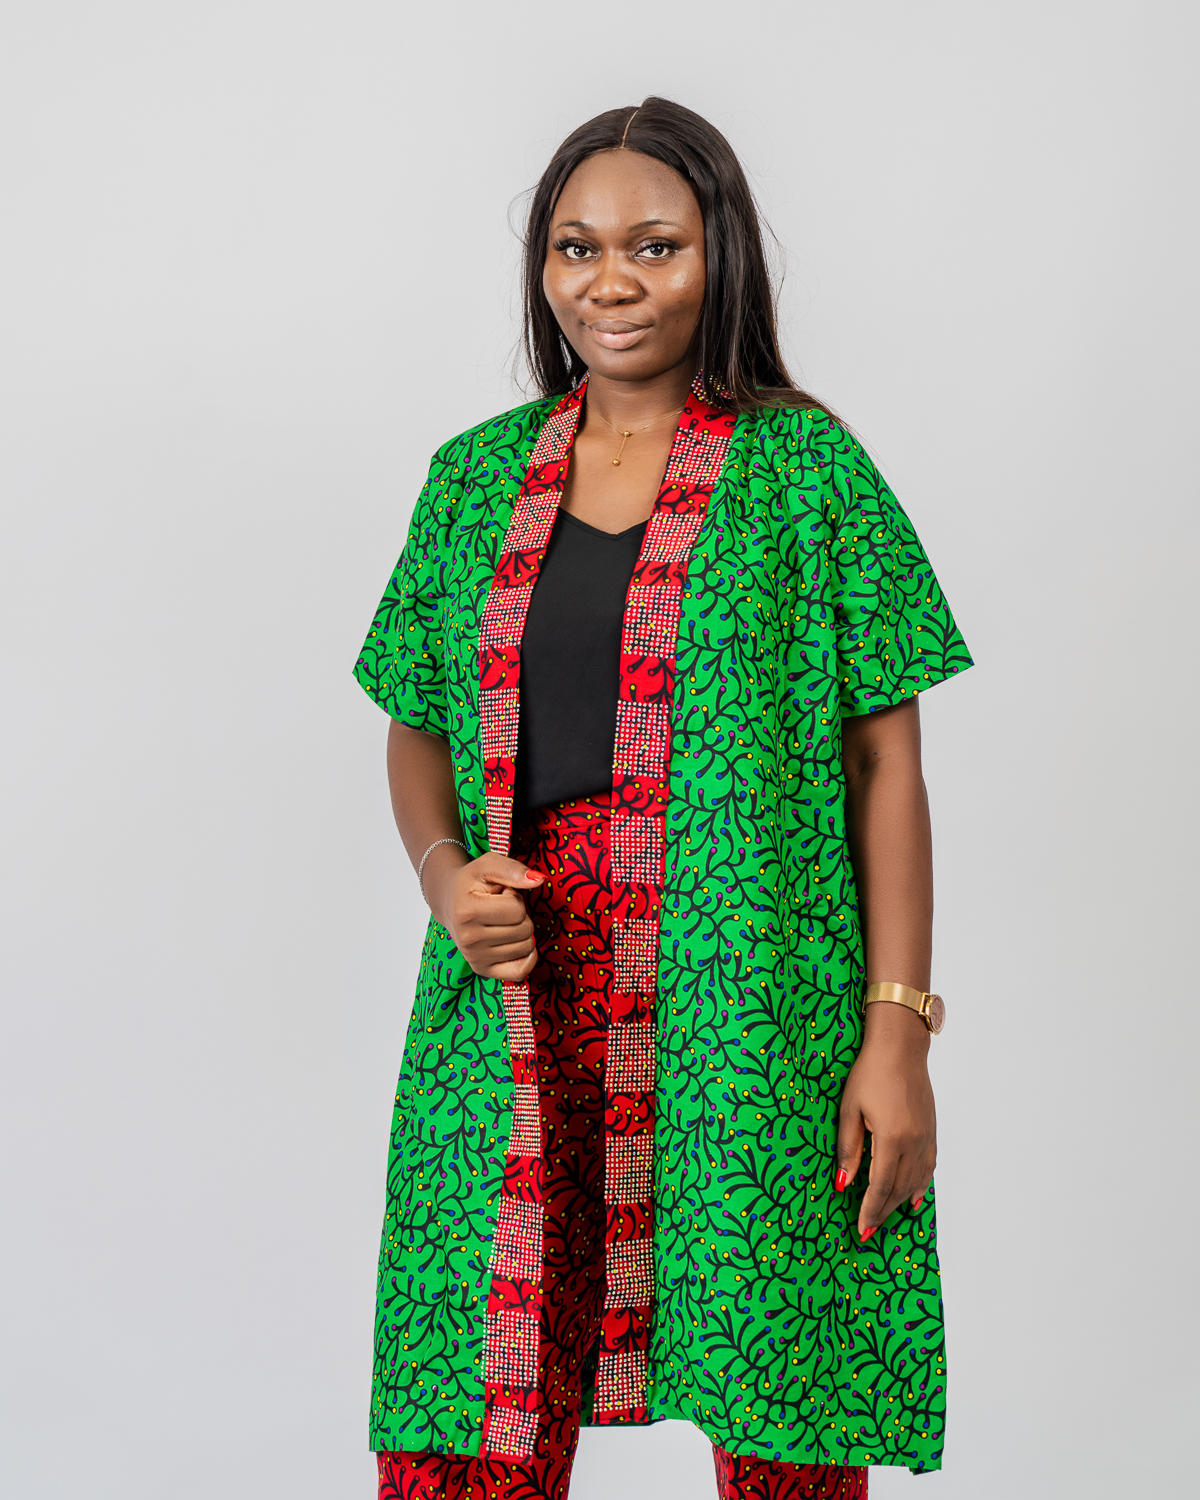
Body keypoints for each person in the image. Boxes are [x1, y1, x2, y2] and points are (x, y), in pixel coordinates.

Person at [353, 96, 971, 1500]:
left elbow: (886, 765)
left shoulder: (809, 475)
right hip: (516, 988)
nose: (611, 282)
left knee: (779, 1388)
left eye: (654, 245)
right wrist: (447, 877)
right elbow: (415, 726)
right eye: (576, 247)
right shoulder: (471, 481)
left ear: (720, 255)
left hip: (749, 994)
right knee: (470, 1406)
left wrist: (897, 1034)